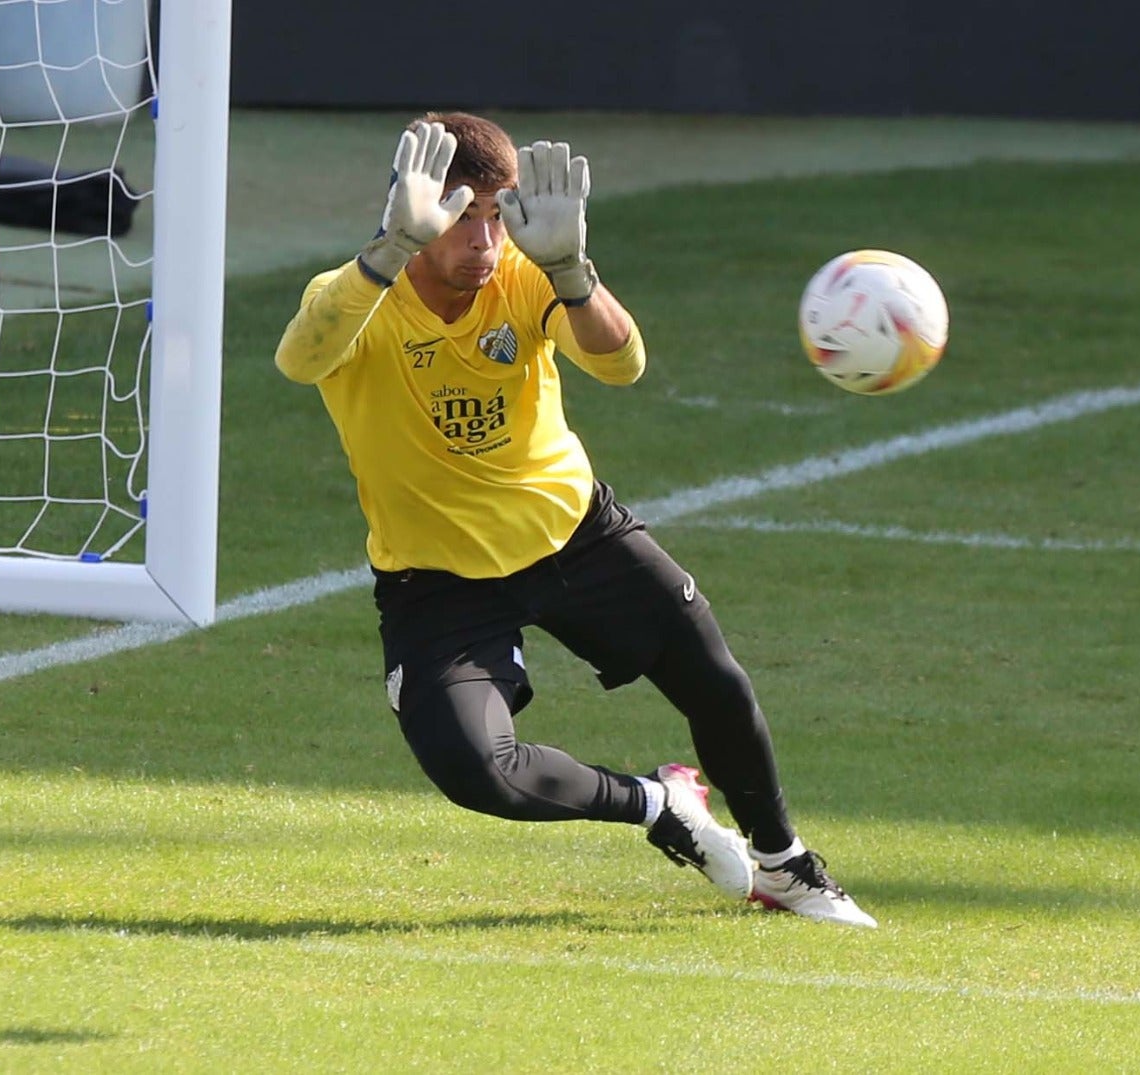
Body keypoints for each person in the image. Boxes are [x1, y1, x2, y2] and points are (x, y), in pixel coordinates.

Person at [274, 111, 875, 928]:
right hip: (438, 581)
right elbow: (299, 360)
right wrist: (384, 254)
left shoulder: (527, 274)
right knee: (475, 770)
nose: (483, 240)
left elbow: (621, 363)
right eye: (461, 215)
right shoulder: (356, 296)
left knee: (718, 684)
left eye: (497, 214)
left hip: (575, 535)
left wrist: (573, 272)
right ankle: (658, 806)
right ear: (412, 206)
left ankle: (784, 861)